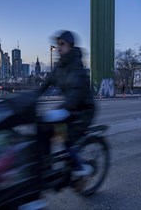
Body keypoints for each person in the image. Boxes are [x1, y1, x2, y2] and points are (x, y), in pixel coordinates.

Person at [38, 30, 96, 177]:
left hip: (83, 111)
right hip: (70, 108)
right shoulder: (59, 67)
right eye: (58, 45)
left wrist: (61, 111)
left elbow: (75, 94)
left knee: (65, 136)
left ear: (70, 45)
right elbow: (45, 83)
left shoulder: (77, 67)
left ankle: (81, 166)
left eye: (62, 44)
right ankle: (47, 167)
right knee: (43, 128)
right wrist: (29, 97)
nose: (59, 47)